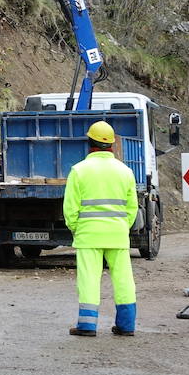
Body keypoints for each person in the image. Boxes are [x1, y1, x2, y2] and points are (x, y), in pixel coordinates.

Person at [64, 120, 138, 337]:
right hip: (117, 234)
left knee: (88, 279)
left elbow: (70, 208)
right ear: (113, 145)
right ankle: (126, 326)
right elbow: (132, 207)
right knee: (123, 280)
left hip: (88, 235)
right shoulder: (125, 172)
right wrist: (123, 227)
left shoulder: (79, 171)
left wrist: (77, 228)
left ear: (90, 143)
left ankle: (87, 326)